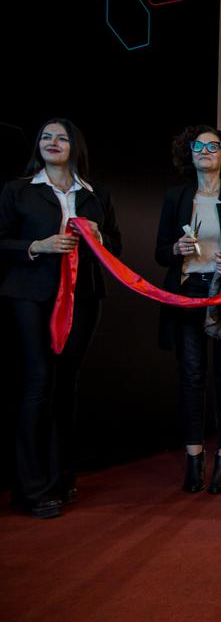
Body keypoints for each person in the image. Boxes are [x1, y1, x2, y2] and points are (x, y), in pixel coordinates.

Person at [0, 119, 121, 518]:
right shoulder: (18, 190)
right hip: (31, 297)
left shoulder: (96, 194)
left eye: (62, 137)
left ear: (75, 146)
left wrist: (100, 238)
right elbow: (1, 240)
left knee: (67, 386)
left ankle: (62, 479)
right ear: (38, 146)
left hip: (84, 296)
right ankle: (31, 489)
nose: (53, 143)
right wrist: (38, 245)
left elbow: (115, 246)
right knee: (39, 383)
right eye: (46, 137)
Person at [155, 125, 221, 495]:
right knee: (191, 378)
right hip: (187, 295)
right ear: (190, 154)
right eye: (198, 146)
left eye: (212, 146)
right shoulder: (176, 197)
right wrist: (175, 249)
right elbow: (159, 252)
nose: (204, 151)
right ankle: (194, 458)